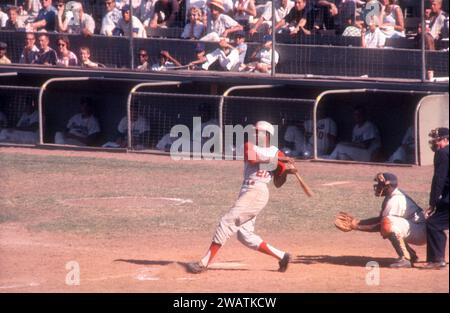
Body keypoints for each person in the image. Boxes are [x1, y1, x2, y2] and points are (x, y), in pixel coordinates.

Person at [186, 121, 297, 274]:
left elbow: (278, 183)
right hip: (247, 190)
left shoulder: (277, 152)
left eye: (258, 131)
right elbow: (253, 159)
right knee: (245, 236)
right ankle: (282, 256)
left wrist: (285, 172)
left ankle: (203, 263)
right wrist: (278, 161)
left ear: (267, 135)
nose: (254, 133)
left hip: (258, 191)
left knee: (226, 222)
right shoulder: (249, 146)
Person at [335, 173, 426, 268]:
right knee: (389, 224)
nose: (377, 186)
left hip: (419, 232)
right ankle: (410, 255)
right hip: (415, 228)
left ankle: (405, 259)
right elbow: (380, 220)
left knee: (388, 225)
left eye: (380, 184)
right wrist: (358, 222)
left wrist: (356, 226)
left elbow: (381, 225)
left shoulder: (395, 200)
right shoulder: (391, 195)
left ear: (388, 186)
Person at [424, 127, 449, 269]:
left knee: (433, 223)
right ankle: (434, 259)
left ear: (446, 139)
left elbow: (439, 180)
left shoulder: (442, 153)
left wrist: (432, 203)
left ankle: (437, 260)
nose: (435, 144)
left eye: (438, 140)